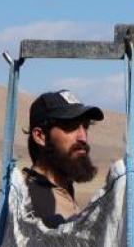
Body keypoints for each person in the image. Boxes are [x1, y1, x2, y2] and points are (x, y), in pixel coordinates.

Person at [23, 89, 103, 227]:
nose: (83, 137)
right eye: (70, 126)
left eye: (85, 126)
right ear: (40, 136)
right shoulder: (30, 201)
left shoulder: (60, 189)